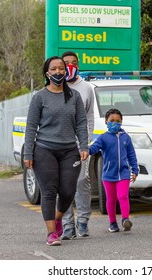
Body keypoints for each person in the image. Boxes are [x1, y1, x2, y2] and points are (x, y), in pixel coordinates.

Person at [23, 56, 89, 246]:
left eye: (61, 68)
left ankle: (58, 218)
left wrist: (83, 145)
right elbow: (31, 127)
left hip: (69, 150)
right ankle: (52, 233)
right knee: (49, 191)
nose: (58, 72)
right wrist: (28, 154)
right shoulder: (39, 97)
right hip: (44, 150)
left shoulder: (74, 96)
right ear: (47, 73)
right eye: (54, 69)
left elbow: (81, 123)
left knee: (68, 191)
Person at [60, 51, 95, 239]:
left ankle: (82, 221)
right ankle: (67, 225)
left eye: (74, 63)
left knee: (81, 182)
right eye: (66, 63)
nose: (70, 66)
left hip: (79, 146)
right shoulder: (56, 86)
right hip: (59, 145)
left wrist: (85, 143)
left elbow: (89, 118)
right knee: (63, 185)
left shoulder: (87, 88)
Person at [89, 108, 139, 232]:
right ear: (106, 122)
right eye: (112, 121)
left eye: (118, 121)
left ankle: (125, 220)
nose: (115, 123)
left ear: (121, 122)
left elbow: (131, 155)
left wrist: (135, 169)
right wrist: (85, 150)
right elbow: (94, 148)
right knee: (111, 199)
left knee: (123, 196)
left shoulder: (126, 137)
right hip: (108, 174)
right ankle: (112, 223)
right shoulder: (103, 138)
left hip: (123, 173)